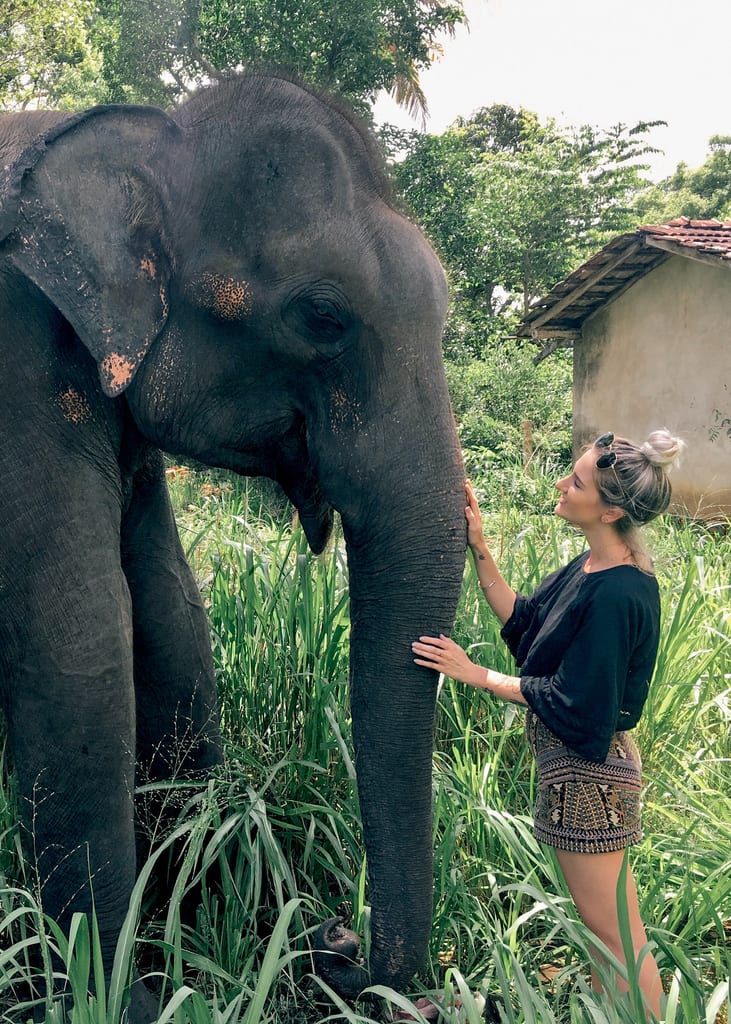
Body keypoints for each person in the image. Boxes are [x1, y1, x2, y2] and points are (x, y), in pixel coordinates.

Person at [412, 429, 685, 1021]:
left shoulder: (618, 593)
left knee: (616, 938)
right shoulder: (594, 566)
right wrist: (479, 546)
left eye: (578, 480)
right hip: (577, 772)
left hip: (591, 780)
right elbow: (527, 622)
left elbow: (575, 704)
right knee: (604, 934)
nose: (563, 482)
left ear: (611, 510)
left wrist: (473, 673)